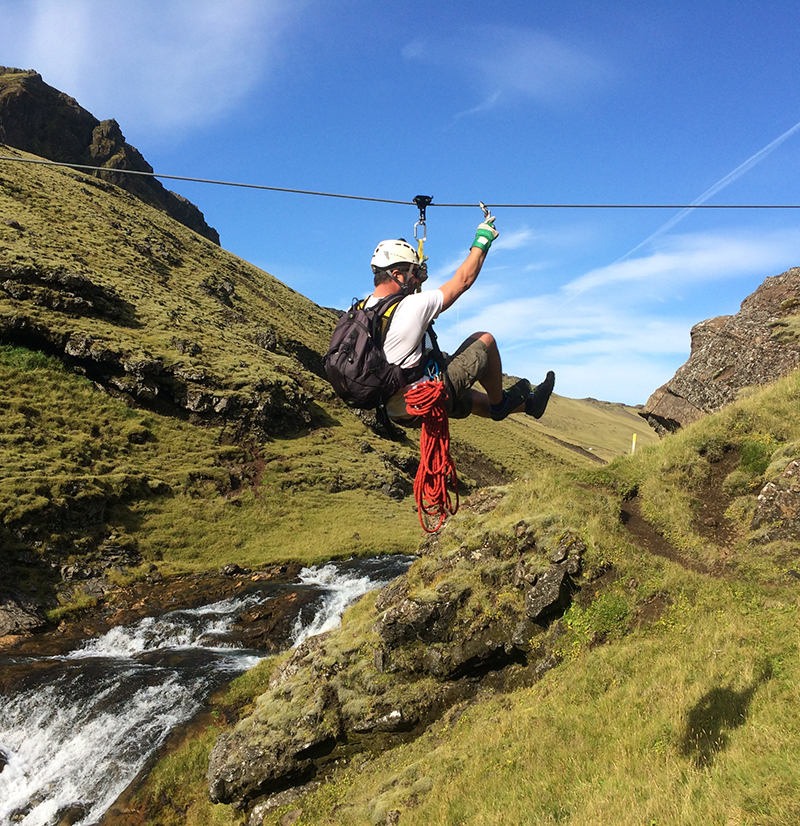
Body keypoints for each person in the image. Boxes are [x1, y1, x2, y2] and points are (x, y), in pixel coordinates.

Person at [365, 212, 555, 423]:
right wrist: (482, 240)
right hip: (421, 402)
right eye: (412, 273)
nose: (416, 279)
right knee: (484, 339)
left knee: (468, 397)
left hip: (393, 409)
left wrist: (415, 280)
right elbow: (463, 281)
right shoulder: (411, 306)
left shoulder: (363, 308)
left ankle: (531, 404)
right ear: (396, 274)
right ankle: (501, 404)